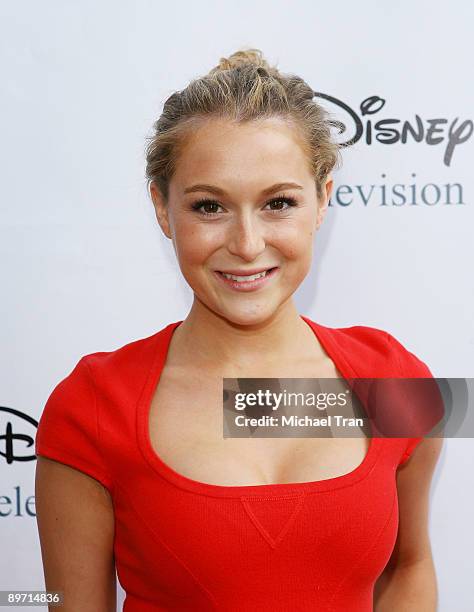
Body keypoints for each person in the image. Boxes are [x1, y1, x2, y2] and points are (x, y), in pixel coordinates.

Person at [35, 48, 443, 611]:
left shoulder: (393, 375)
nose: (247, 244)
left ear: (323, 200)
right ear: (161, 207)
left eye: (278, 203)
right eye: (209, 207)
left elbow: (411, 568)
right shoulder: (93, 403)